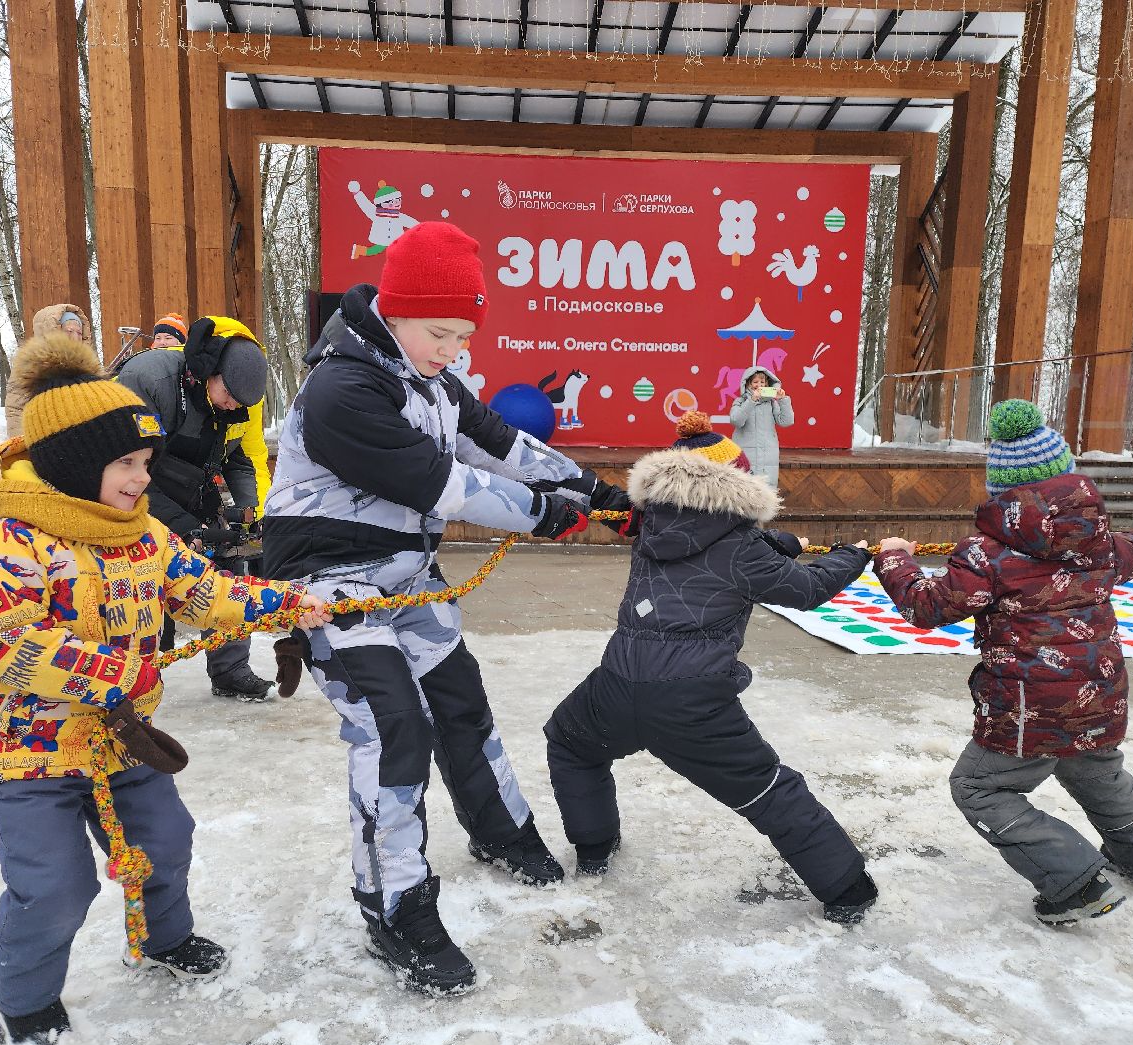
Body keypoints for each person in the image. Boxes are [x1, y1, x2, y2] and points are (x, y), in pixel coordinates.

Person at [261, 221, 630, 995]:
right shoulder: (342, 389)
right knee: (394, 726)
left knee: (462, 702)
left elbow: (502, 446)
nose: (453, 351)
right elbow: (442, 484)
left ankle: (500, 830)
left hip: (407, 579)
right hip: (332, 586)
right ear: (394, 310)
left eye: (464, 337)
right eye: (440, 333)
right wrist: (544, 514)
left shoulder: (432, 381)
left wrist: (597, 492)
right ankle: (395, 904)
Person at [0, 333, 330, 1045]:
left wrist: (284, 602)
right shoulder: (13, 543)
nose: (140, 478)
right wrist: (111, 673)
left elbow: (206, 591)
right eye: (125, 463)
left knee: (164, 841)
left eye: (146, 463)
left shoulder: (144, 536)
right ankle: (24, 999)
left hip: (122, 739)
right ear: (73, 463)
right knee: (55, 885)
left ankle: (163, 937)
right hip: (27, 750)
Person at [543, 411, 879, 924]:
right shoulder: (742, 547)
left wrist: (778, 544)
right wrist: (855, 554)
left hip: (616, 683)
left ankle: (593, 847)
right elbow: (807, 589)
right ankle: (848, 889)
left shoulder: (649, 526)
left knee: (571, 743)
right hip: (691, 702)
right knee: (766, 788)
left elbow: (710, 548)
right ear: (737, 485)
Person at [873, 399, 1133, 926]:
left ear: (1001, 490)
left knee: (980, 787)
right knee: (1099, 776)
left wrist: (894, 557)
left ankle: (1075, 882)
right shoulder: (1099, 544)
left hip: (1028, 707)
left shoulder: (986, 555)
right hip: (1099, 694)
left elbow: (927, 606)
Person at [117, 316, 277, 702]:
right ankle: (127, 676)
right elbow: (127, 470)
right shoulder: (148, 379)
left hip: (192, 487)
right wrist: (184, 527)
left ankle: (230, 670)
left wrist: (248, 508)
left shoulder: (230, 401)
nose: (233, 405)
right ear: (210, 372)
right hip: (130, 493)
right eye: (229, 395)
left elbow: (236, 459)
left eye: (241, 402)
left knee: (226, 565)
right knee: (138, 581)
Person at [4, 302, 91, 438]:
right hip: (45, 439)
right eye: (69, 331)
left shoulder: (89, 366)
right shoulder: (31, 365)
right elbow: (16, 410)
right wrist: (23, 444)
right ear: (53, 331)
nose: (75, 337)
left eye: (79, 333)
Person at [728, 364, 794, 488]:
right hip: (746, 454)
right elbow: (736, 421)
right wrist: (751, 401)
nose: (759, 385)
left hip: (768, 455)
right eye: (755, 382)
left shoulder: (771, 403)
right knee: (745, 488)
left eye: (762, 382)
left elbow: (786, 421)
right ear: (748, 384)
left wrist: (782, 400)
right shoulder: (740, 401)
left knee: (767, 489)